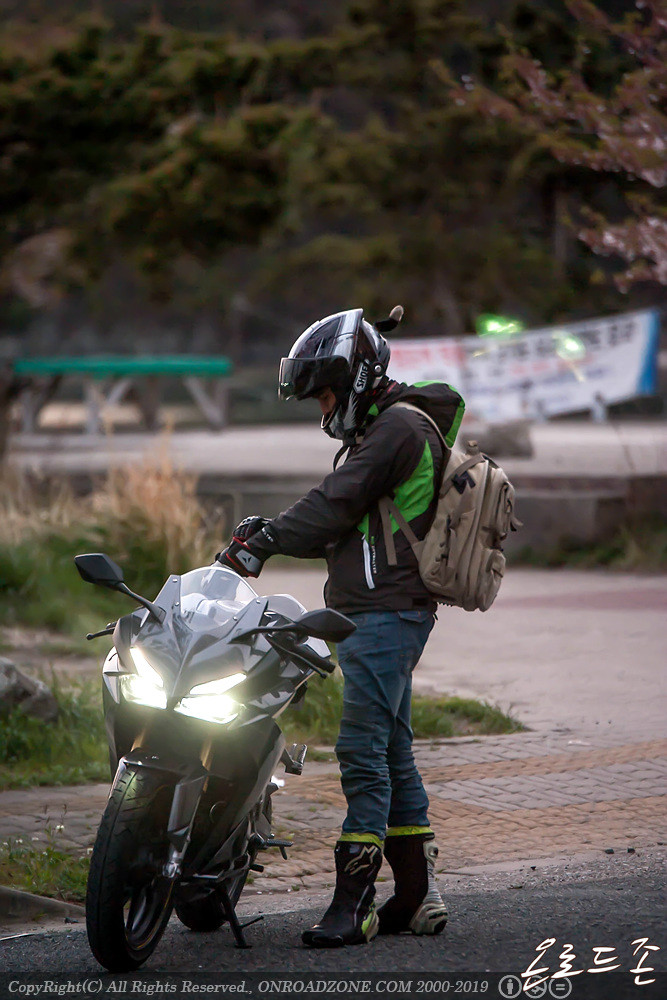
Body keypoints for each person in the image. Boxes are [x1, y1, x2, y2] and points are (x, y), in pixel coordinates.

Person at [216, 306, 465, 948]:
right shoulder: (386, 431)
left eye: (325, 391)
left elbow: (334, 505)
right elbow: (345, 516)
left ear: (355, 378)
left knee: (360, 749)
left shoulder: (398, 431)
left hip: (387, 613)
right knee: (391, 750)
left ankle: (352, 905)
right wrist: (268, 532)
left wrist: (263, 541)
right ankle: (412, 896)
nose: (322, 406)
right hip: (380, 612)